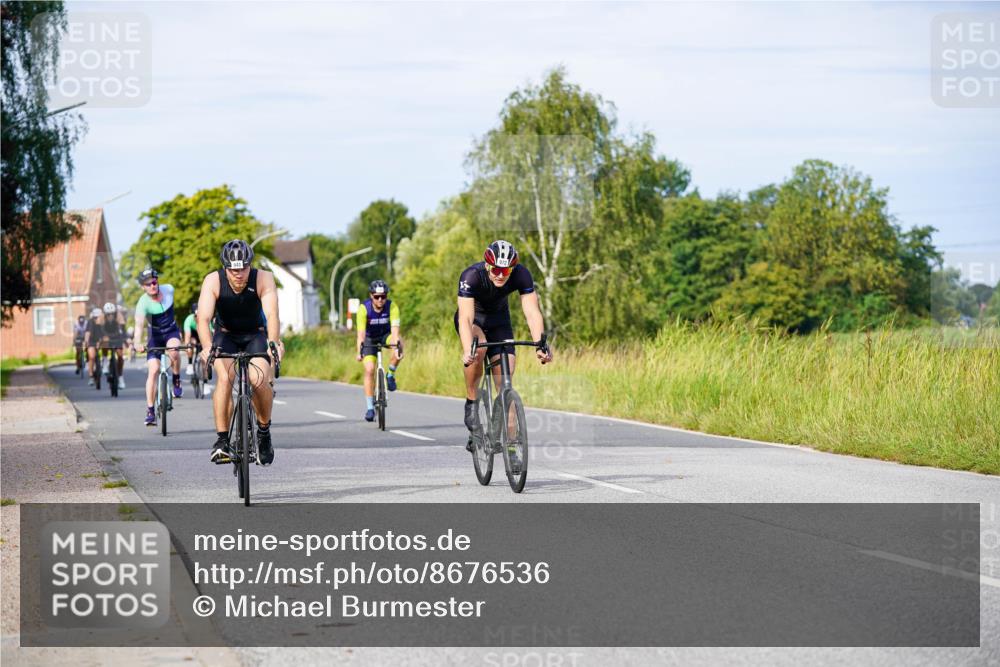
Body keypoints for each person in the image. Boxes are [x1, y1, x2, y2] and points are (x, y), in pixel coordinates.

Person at [455, 240, 552, 451]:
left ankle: (511, 448)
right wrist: (466, 350)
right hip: (475, 320)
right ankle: (471, 403)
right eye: (496, 269)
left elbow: (532, 311)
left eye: (506, 270)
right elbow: (465, 318)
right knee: (478, 347)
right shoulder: (471, 276)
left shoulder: (521, 274)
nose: (501, 274)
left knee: (505, 382)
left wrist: (540, 345)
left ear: (512, 268)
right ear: (488, 265)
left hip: (500, 322)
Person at [196, 239, 282, 465]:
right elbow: (203, 319)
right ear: (225, 267)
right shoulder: (213, 280)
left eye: (243, 268)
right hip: (225, 335)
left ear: (250, 265)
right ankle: (222, 441)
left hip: (255, 334)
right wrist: (206, 347)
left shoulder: (263, 278)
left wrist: (273, 343)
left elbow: (272, 314)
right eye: (233, 269)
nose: (238, 274)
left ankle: (263, 432)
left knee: (259, 379)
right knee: (224, 377)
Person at [132, 268, 184, 426]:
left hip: (171, 332)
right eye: (148, 284)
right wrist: (137, 342)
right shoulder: (143, 303)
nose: (152, 286)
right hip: (154, 336)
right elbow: (139, 326)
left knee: (174, 352)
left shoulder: (169, 290)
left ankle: (176, 379)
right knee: (153, 370)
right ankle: (150, 410)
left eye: (154, 282)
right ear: (143, 287)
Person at [355, 279, 404, 421]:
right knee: (370, 370)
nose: (381, 300)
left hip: (385, 336)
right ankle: (370, 408)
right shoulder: (364, 309)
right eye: (377, 297)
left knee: (400, 344)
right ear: (371, 296)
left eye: (383, 296)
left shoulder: (392, 307)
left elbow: (395, 331)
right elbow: (361, 334)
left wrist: (396, 348)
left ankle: (390, 375)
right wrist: (359, 351)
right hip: (369, 338)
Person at [98, 302, 127, 390]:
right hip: (106, 335)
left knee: (120, 356)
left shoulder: (118, 315)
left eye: (112, 314)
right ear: (105, 313)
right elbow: (99, 329)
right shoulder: (101, 317)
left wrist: (125, 339)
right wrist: (101, 337)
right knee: (105, 343)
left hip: (116, 335)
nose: (110, 316)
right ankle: (105, 361)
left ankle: (120, 377)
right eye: (108, 314)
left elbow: (122, 328)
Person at [82, 307, 102, 386]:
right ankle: (91, 376)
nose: (98, 319)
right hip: (92, 341)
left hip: (100, 341)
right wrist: (86, 342)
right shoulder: (90, 323)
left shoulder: (102, 323)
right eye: (96, 317)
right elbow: (88, 333)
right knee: (92, 356)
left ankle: (105, 364)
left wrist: (100, 342)